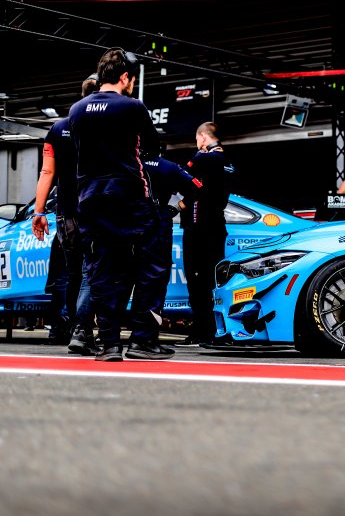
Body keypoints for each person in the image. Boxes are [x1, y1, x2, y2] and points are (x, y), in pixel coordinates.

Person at [68, 48, 173, 361]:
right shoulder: (133, 106)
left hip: (90, 200)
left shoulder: (76, 110)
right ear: (125, 77)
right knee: (152, 267)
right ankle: (142, 341)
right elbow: (152, 148)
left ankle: (109, 345)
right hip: (130, 198)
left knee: (102, 271)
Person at [30, 74, 98, 352]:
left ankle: (71, 329)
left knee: (72, 273)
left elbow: (47, 172)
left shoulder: (57, 128)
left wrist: (38, 212)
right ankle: (84, 330)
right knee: (92, 272)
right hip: (95, 209)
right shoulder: (104, 125)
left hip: (66, 212)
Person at [178, 122, 232, 346]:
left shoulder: (204, 158)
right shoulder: (226, 160)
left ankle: (203, 331)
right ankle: (215, 330)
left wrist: (182, 203)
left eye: (197, 139)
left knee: (196, 281)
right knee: (213, 280)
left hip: (198, 228)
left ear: (202, 137)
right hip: (217, 226)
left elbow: (183, 174)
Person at [137, 156, 201, 332]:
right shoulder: (169, 166)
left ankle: (110, 337)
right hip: (159, 222)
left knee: (126, 277)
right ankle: (144, 335)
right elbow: (197, 187)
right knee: (156, 277)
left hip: (133, 223)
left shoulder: (130, 164)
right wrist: (178, 206)